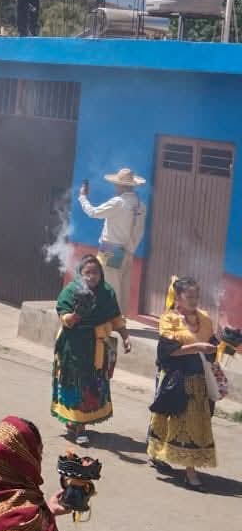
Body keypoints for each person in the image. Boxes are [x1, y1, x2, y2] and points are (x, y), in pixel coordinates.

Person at [148, 276, 221, 488]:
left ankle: (191, 471)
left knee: (197, 424)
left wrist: (222, 344)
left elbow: (212, 344)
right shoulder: (169, 319)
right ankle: (160, 455)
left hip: (199, 380)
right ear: (178, 297)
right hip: (177, 378)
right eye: (189, 296)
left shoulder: (205, 318)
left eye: (196, 295)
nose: (194, 300)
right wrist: (197, 347)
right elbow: (167, 352)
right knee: (171, 422)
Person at [51, 254, 130, 444]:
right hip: (74, 345)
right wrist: (78, 313)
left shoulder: (107, 292)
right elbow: (66, 320)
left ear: (101, 274)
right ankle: (80, 429)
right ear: (80, 273)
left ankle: (76, 423)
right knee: (77, 382)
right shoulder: (71, 291)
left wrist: (126, 336)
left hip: (97, 346)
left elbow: (116, 318)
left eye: (95, 272)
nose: (91, 277)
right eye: (87, 272)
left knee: (91, 383)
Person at [77, 168, 147, 311]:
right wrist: (131, 248)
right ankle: (120, 317)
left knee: (110, 284)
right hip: (129, 249)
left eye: (117, 184)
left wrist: (83, 197)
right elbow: (139, 230)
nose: (115, 187)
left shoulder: (118, 202)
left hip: (111, 247)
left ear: (121, 186)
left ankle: (110, 316)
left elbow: (93, 212)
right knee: (124, 284)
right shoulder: (140, 204)